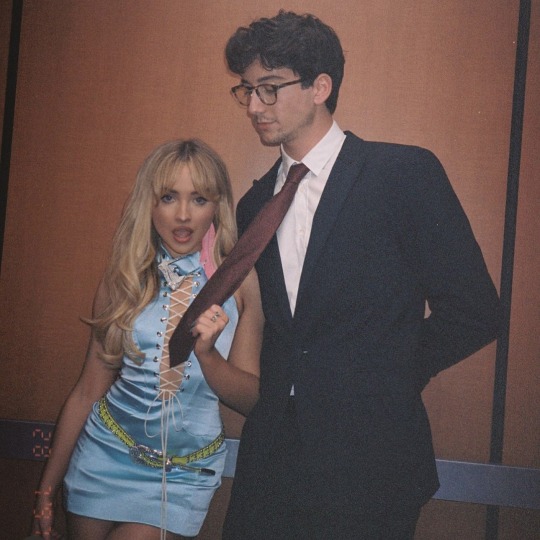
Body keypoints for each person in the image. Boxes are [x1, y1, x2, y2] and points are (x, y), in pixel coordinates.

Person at [222, 10, 501, 540]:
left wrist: (389, 373)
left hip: (372, 461)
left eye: (270, 88)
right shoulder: (255, 206)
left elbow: (476, 311)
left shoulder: (402, 174)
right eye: (247, 90)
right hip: (271, 465)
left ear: (320, 87)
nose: (254, 106)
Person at [32, 139, 263, 540]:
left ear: (218, 206)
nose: (183, 214)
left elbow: (251, 400)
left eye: (199, 199)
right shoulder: (124, 277)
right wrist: (46, 489)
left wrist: (208, 356)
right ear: (149, 204)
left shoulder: (240, 283)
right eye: (169, 197)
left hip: (184, 473)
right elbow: (87, 390)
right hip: (103, 455)